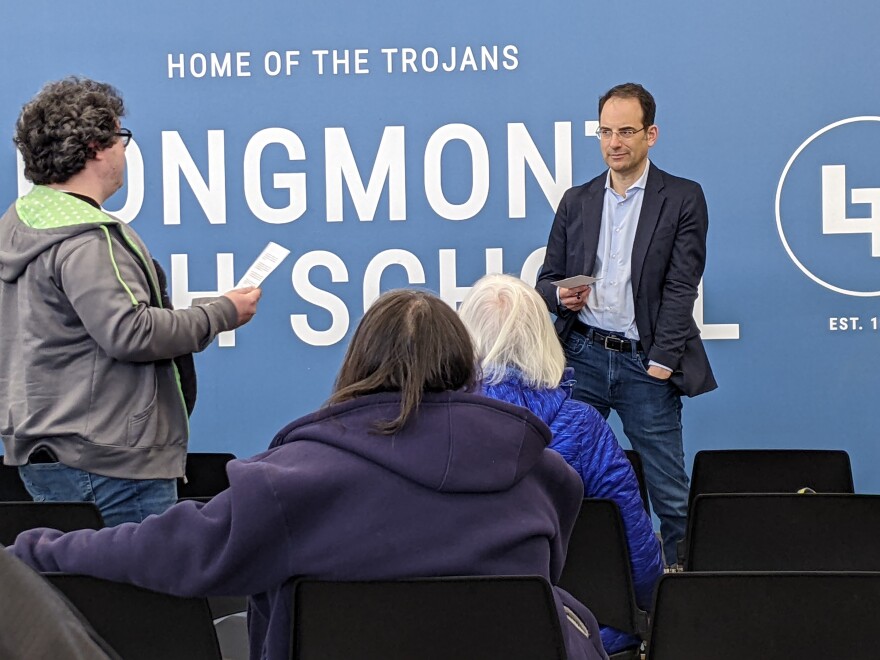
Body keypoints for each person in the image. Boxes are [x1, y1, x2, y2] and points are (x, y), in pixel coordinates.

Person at [9, 289, 608, 660]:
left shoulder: (289, 484)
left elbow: (161, 552)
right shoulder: (544, 478)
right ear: (463, 366)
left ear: (359, 364)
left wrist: (31, 552)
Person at [0, 77, 261, 526]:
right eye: (121, 138)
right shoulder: (87, 240)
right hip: (111, 464)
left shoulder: (19, 228)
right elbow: (131, 333)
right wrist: (221, 313)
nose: (125, 152)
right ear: (97, 147)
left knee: (77, 594)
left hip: (46, 454)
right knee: (141, 594)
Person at [535, 82, 716, 563]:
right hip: (582, 359)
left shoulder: (682, 198)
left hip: (645, 366)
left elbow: (682, 286)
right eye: (605, 132)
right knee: (557, 477)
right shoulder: (577, 200)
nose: (614, 142)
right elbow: (544, 282)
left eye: (626, 131)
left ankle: (682, 604)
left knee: (671, 496)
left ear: (651, 134)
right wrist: (561, 296)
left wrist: (662, 361)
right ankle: (564, 587)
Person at [460, 273, 663, 653]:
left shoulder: (432, 430)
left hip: (462, 635)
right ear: (543, 339)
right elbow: (642, 571)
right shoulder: (585, 429)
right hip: (577, 638)